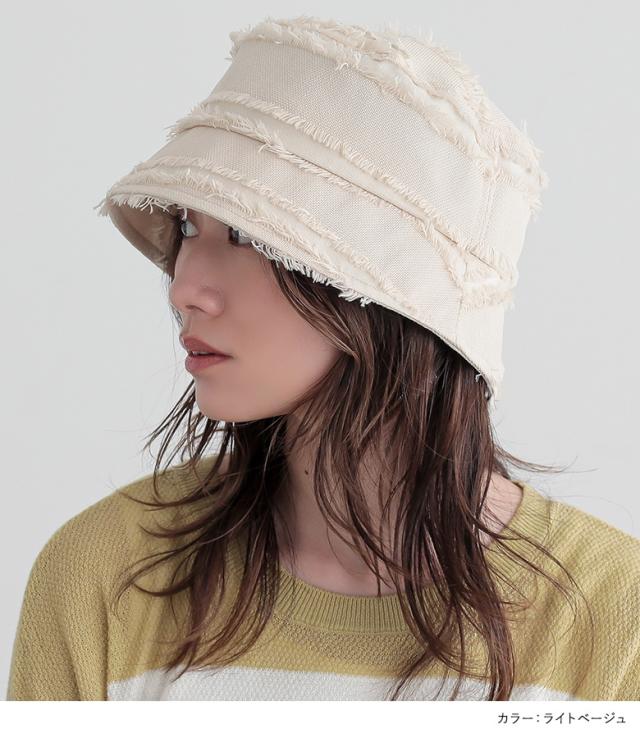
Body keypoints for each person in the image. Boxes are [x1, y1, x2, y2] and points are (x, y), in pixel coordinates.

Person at [7, 15, 640, 701]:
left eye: (245, 235)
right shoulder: (107, 576)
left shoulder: (611, 614)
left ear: (384, 294)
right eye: (188, 227)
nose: (185, 286)